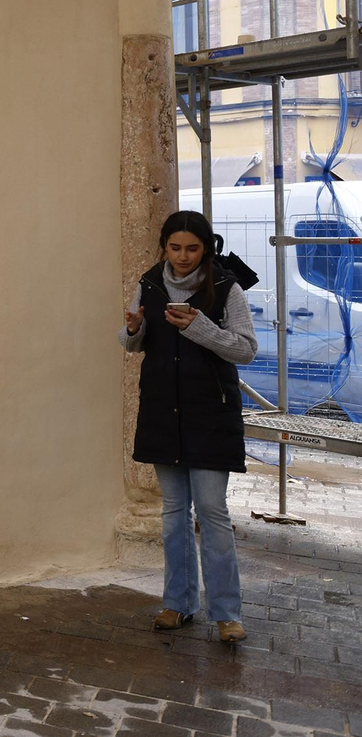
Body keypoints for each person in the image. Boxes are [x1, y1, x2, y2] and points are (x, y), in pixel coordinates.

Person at [121, 209, 256, 644]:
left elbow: (246, 350)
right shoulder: (149, 283)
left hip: (210, 414)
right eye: (175, 247)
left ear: (207, 248)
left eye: (192, 249)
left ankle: (227, 614)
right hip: (163, 412)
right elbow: (132, 345)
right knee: (173, 513)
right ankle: (177, 604)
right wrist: (132, 330)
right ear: (164, 246)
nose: (183, 256)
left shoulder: (224, 287)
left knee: (213, 512)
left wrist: (201, 328)